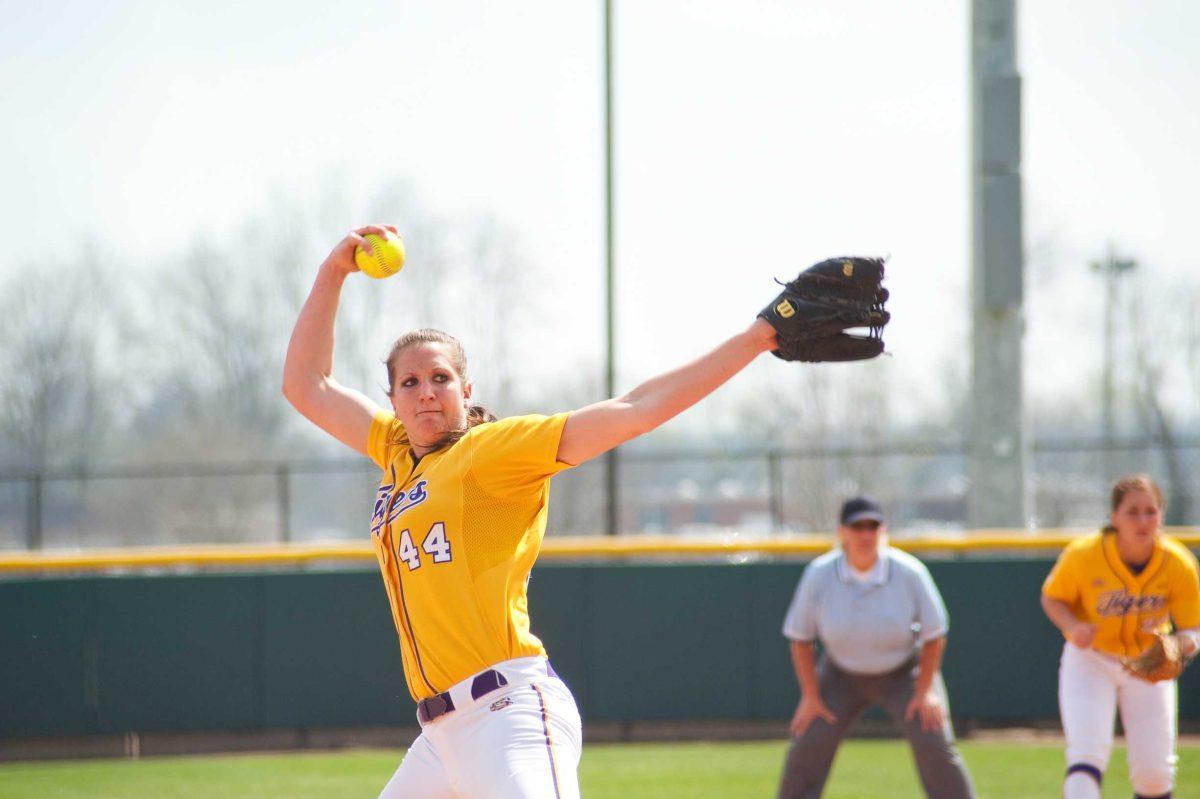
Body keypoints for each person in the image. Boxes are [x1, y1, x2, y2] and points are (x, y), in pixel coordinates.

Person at [282, 226, 870, 798]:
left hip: (507, 714)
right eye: (409, 382)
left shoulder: (491, 453)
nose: (426, 391)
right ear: (393, 400)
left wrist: (759, 336)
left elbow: (637, 407)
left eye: (441, 378)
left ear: (466, 389)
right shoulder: (392, 450)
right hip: (438, 738)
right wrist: (333, 273)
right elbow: (306, 385)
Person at [776, 496, 976, 799]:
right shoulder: (820, 574)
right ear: (842, 532)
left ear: (884, 531)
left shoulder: (909, 572)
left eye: (873, 526)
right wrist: (811, 695)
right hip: (839, 673)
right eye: (857, 527)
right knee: (807, 743)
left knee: (934, 741)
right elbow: (800, 637)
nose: (865, 535)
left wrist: (925, 691)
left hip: (903, 672)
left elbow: (934, 633)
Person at [1041, 474, 1200, 799]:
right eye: (1132, 511)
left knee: (1154, 773)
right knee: (1086, 754)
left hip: (1147, 665)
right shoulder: (1085, 554)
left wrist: (1181, 646)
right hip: (1091, 660)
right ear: (1114, 518)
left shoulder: (1178, 563)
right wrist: (1072, 627)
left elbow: (1192, 627)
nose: (1143, 520)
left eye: (1150, 511)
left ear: (1161, 515)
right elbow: (1052, 597)